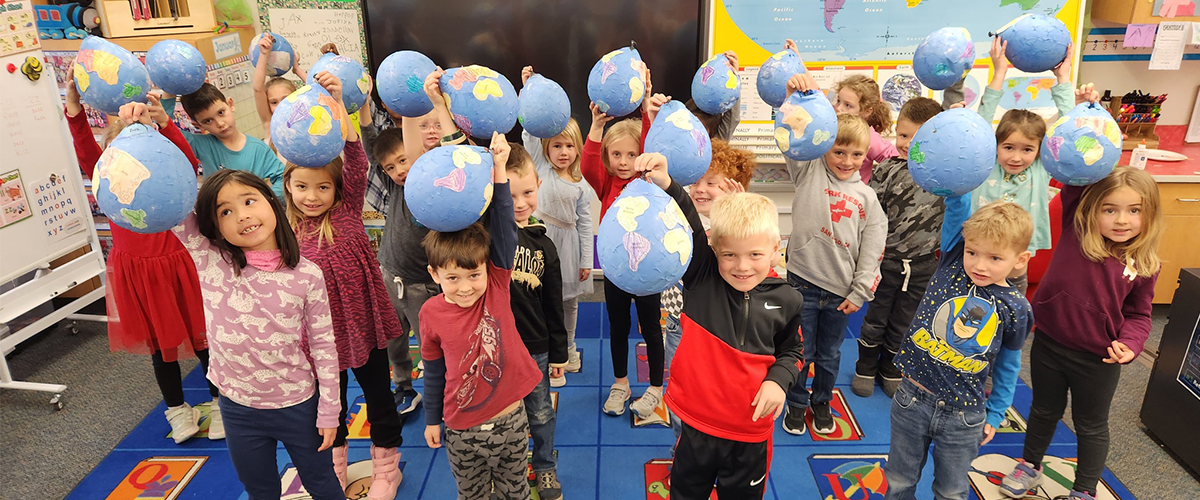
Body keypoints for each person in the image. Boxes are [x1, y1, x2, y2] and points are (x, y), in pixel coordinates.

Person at [124, 99, 342, 498]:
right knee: (259, 489)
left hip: (297, 405)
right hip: (238, 407)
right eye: (225, 212)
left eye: (249, 201)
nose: (241, 215)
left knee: (323, 483)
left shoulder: (307, 276)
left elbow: (326, 347)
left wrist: (330, 409)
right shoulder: (212, 259)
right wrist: (149, 133)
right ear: (215, 227)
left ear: (272, 202)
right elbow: (173, 197)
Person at [636, 151, 802, 499]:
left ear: (775, 249)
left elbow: (792, 351)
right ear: (713, 250)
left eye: (755, 254)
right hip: (695, 426)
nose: (742, 266)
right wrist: (667, 182)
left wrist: (778, 382)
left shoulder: (787, 299)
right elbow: (690, 222)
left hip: (750, 434)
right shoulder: (702, 278)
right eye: (729, 255)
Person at [66, 76, 219, 444]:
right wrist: (74, 106)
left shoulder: (162, 167)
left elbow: (188, 158)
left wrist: (161, 124)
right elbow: (87, 150)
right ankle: (187, 412)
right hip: (145, 267)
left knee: (200, 341)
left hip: (175, 262)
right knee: (165, 346)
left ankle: (210, 407)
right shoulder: (109, 169)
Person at [1000, 168, 1162, 500]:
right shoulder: (1077, 227)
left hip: (1098, 359)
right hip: (1049, 344)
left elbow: (1139, 315)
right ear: (1092, 209)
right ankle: (1030, 465)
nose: (1121, 220)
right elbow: (1076, 175)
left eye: (1134, 210)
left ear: (1149, 215)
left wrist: (1130, 345)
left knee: (1091, 425)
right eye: (1110, 209)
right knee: (1043, 411)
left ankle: (1085, 491)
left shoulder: (1144, 264)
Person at [281, 71, 404, 499]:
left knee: (378, 395)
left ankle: (387, 466)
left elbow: (355, 157)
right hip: (317, 338)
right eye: (301, 187)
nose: (311, 196)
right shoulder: (286, 230)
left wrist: (338, 104)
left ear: (337, 190)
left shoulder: (348, 209)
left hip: (362, 326)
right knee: (324, 406)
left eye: (321, 187)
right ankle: (335, 466)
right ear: (288, 186)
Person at [884, 193, 1035, 500]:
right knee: (899, 479)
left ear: (1020, 260)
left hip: (964, 415)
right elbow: (957, 206)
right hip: (912, 399)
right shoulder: (952, 264)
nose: (979, 265)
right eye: (973, 252)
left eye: (995, 258)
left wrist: (996, 413)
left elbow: (1008, 364)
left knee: (951, 491)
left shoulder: (1016, 307)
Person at [420, 133, 543, 499]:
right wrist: (430, 418)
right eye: (452, 278)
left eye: (474, 275)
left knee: (515, 492)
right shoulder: (430, 313)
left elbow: (504, 226)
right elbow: (433, 369)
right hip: (461, 429)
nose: (465, 287)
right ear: (435, 274)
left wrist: (500, 171)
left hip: (510, 420)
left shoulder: (497, 286)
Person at [779, 73, 887, 436]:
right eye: (838, 151)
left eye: (856, 154)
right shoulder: (808, 171)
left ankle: (821, 402)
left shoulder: (867, 199)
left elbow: (872, 252)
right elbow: (789, 138)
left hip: (841, 293)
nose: (846, 160)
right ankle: (795, 403)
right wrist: (792, 99)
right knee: (800, 353)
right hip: (802, 284)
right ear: (824, 146)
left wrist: (860, 292)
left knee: (828, 356)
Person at [582, 62, 671, 419]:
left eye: (631, 155)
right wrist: (596, 127)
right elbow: (589, 164)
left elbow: (650, 146)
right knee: (617, 326)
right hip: (618, 270)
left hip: (648, 270)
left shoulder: (649, 180)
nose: (623, 162)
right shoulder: (606, 183)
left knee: (651, 327)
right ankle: (620, 383)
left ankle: (654, 388)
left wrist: (647, 104)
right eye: (616, 155)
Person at [662, 139, 756, 448]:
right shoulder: (679, 215)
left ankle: (718, 439)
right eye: (696, 182)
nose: (701, 189)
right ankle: (683, 443)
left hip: (718, 328)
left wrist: (737, 211)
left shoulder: (732, 227)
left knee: (718, 389)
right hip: (679, 320)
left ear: (731, 185)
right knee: (679, 386)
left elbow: (741, 261)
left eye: (711, 183)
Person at [852, 96, 946, 399]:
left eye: (918, 138)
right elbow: (869, 216)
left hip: (921, 265)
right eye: (903, 136)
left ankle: (891, 368)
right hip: (886, 262)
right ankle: (865, 366)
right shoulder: (886, 170)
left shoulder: (943, 177)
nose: (908, 144)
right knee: (876, 317)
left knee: (905, 320)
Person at [968, 37, 1077, 294]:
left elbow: (1068, 125)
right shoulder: (987, 162)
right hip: (980, 252)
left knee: (1012, 306)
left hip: (1017, 253)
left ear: (1039, 150)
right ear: (996, 146)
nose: (1016, 158)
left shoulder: (1040, 167)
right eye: (1008, 148)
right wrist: (999, 72)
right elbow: (983, 119)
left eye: (1027, 149)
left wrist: (1063, 77)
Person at [520, 66, 595, 387]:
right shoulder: (538, 167)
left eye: (569, 146)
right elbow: (530, 133)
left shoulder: (579, 182)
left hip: (569, 247)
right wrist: (527, 92)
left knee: (569, 302)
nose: (563, 152)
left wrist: (586, 262)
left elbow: (585, 223)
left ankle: (569, 348)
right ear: (547, 149)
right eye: (556, 146)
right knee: (540, 299)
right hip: (539, 243)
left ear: (577, 148)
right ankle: (546, 350)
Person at [505, 143, 569, 500]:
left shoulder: (546, 247)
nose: (519, 202)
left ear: (538, 187)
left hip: (536, 348)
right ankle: (508, 465)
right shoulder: (490, 234)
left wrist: (558, 354)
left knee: (540, 412)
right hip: (497, 348)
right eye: (509, 194)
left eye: (527, 192)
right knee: (505, 414)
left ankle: (544, 466)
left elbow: (553, 305)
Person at [167, 83, 286, 198]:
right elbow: (169, 131)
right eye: (208, 121)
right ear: (198, 125)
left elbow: (283, 178)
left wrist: (266, 200)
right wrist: (168, 91)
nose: (220, 123)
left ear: (230, 104)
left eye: (221, 113)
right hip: (217, 215)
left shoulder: (258, 149)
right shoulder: (202, 144)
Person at [830, 72, 898, 183]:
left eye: (848, 105)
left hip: (856, 197)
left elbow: (895, 157)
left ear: (866, 112)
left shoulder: (868, 136)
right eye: (838, 101)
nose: (839, 108)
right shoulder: (831, 126)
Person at [685, 50, 742, 142]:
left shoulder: (716, 144)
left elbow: (733, 117)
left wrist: (734, 77)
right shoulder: (681, 138)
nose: (695, 133)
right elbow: (701, 95)